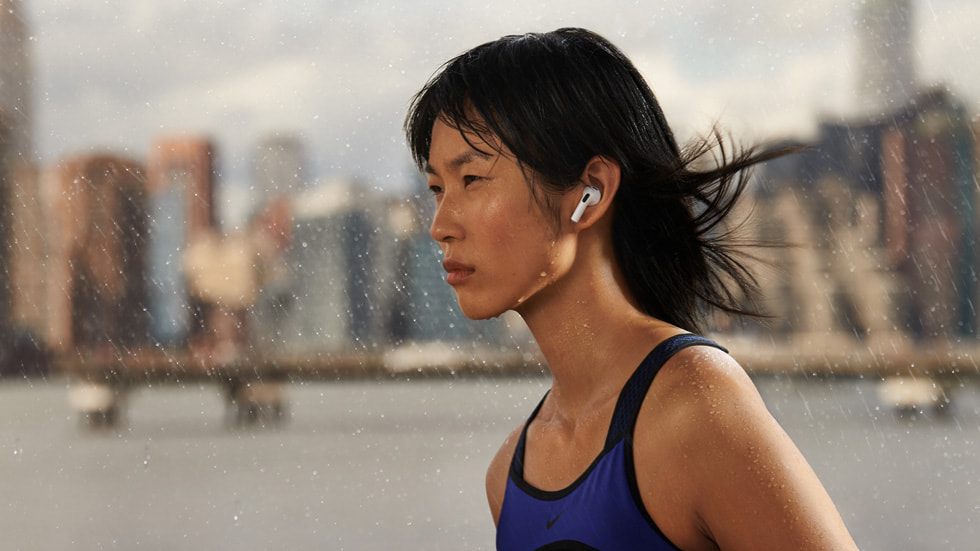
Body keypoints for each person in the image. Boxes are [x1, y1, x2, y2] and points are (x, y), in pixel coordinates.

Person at [405, 27, 859, 551]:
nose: (441, 224)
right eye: (437, 188)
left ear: (590, 191)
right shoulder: (508, 477)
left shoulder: (695, 406)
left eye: (472, 180)